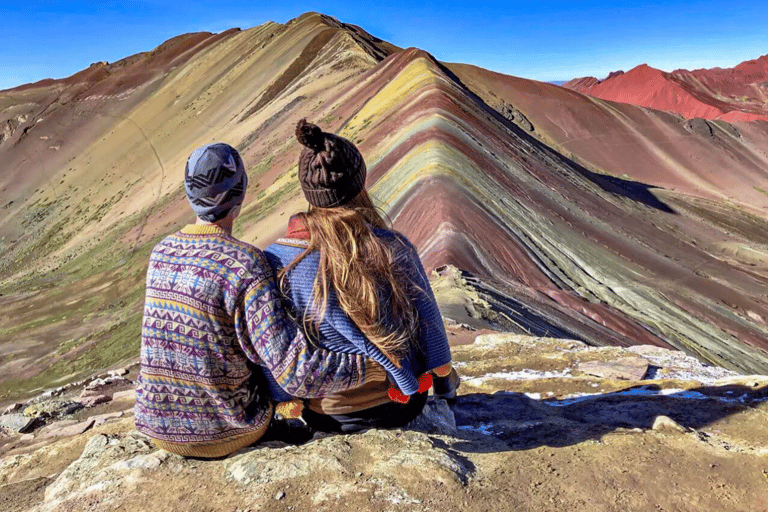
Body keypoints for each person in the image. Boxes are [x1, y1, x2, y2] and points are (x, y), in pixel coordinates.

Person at [134, 142, 374, 458]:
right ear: (242, 192)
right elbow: (294, 370)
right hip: (226, 432)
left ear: (190, 193)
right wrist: (368, 366)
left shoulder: (162, 251)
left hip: (156, 428)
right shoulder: (245, 264)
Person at [264, 120, 459, 433]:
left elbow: (273, 345)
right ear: (359, 182)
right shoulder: (393, 246)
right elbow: (430, 328)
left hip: (324, 414)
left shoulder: (277, 260)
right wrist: (446, 390)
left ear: (307, 190)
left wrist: (281, 402)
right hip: (400, 407)